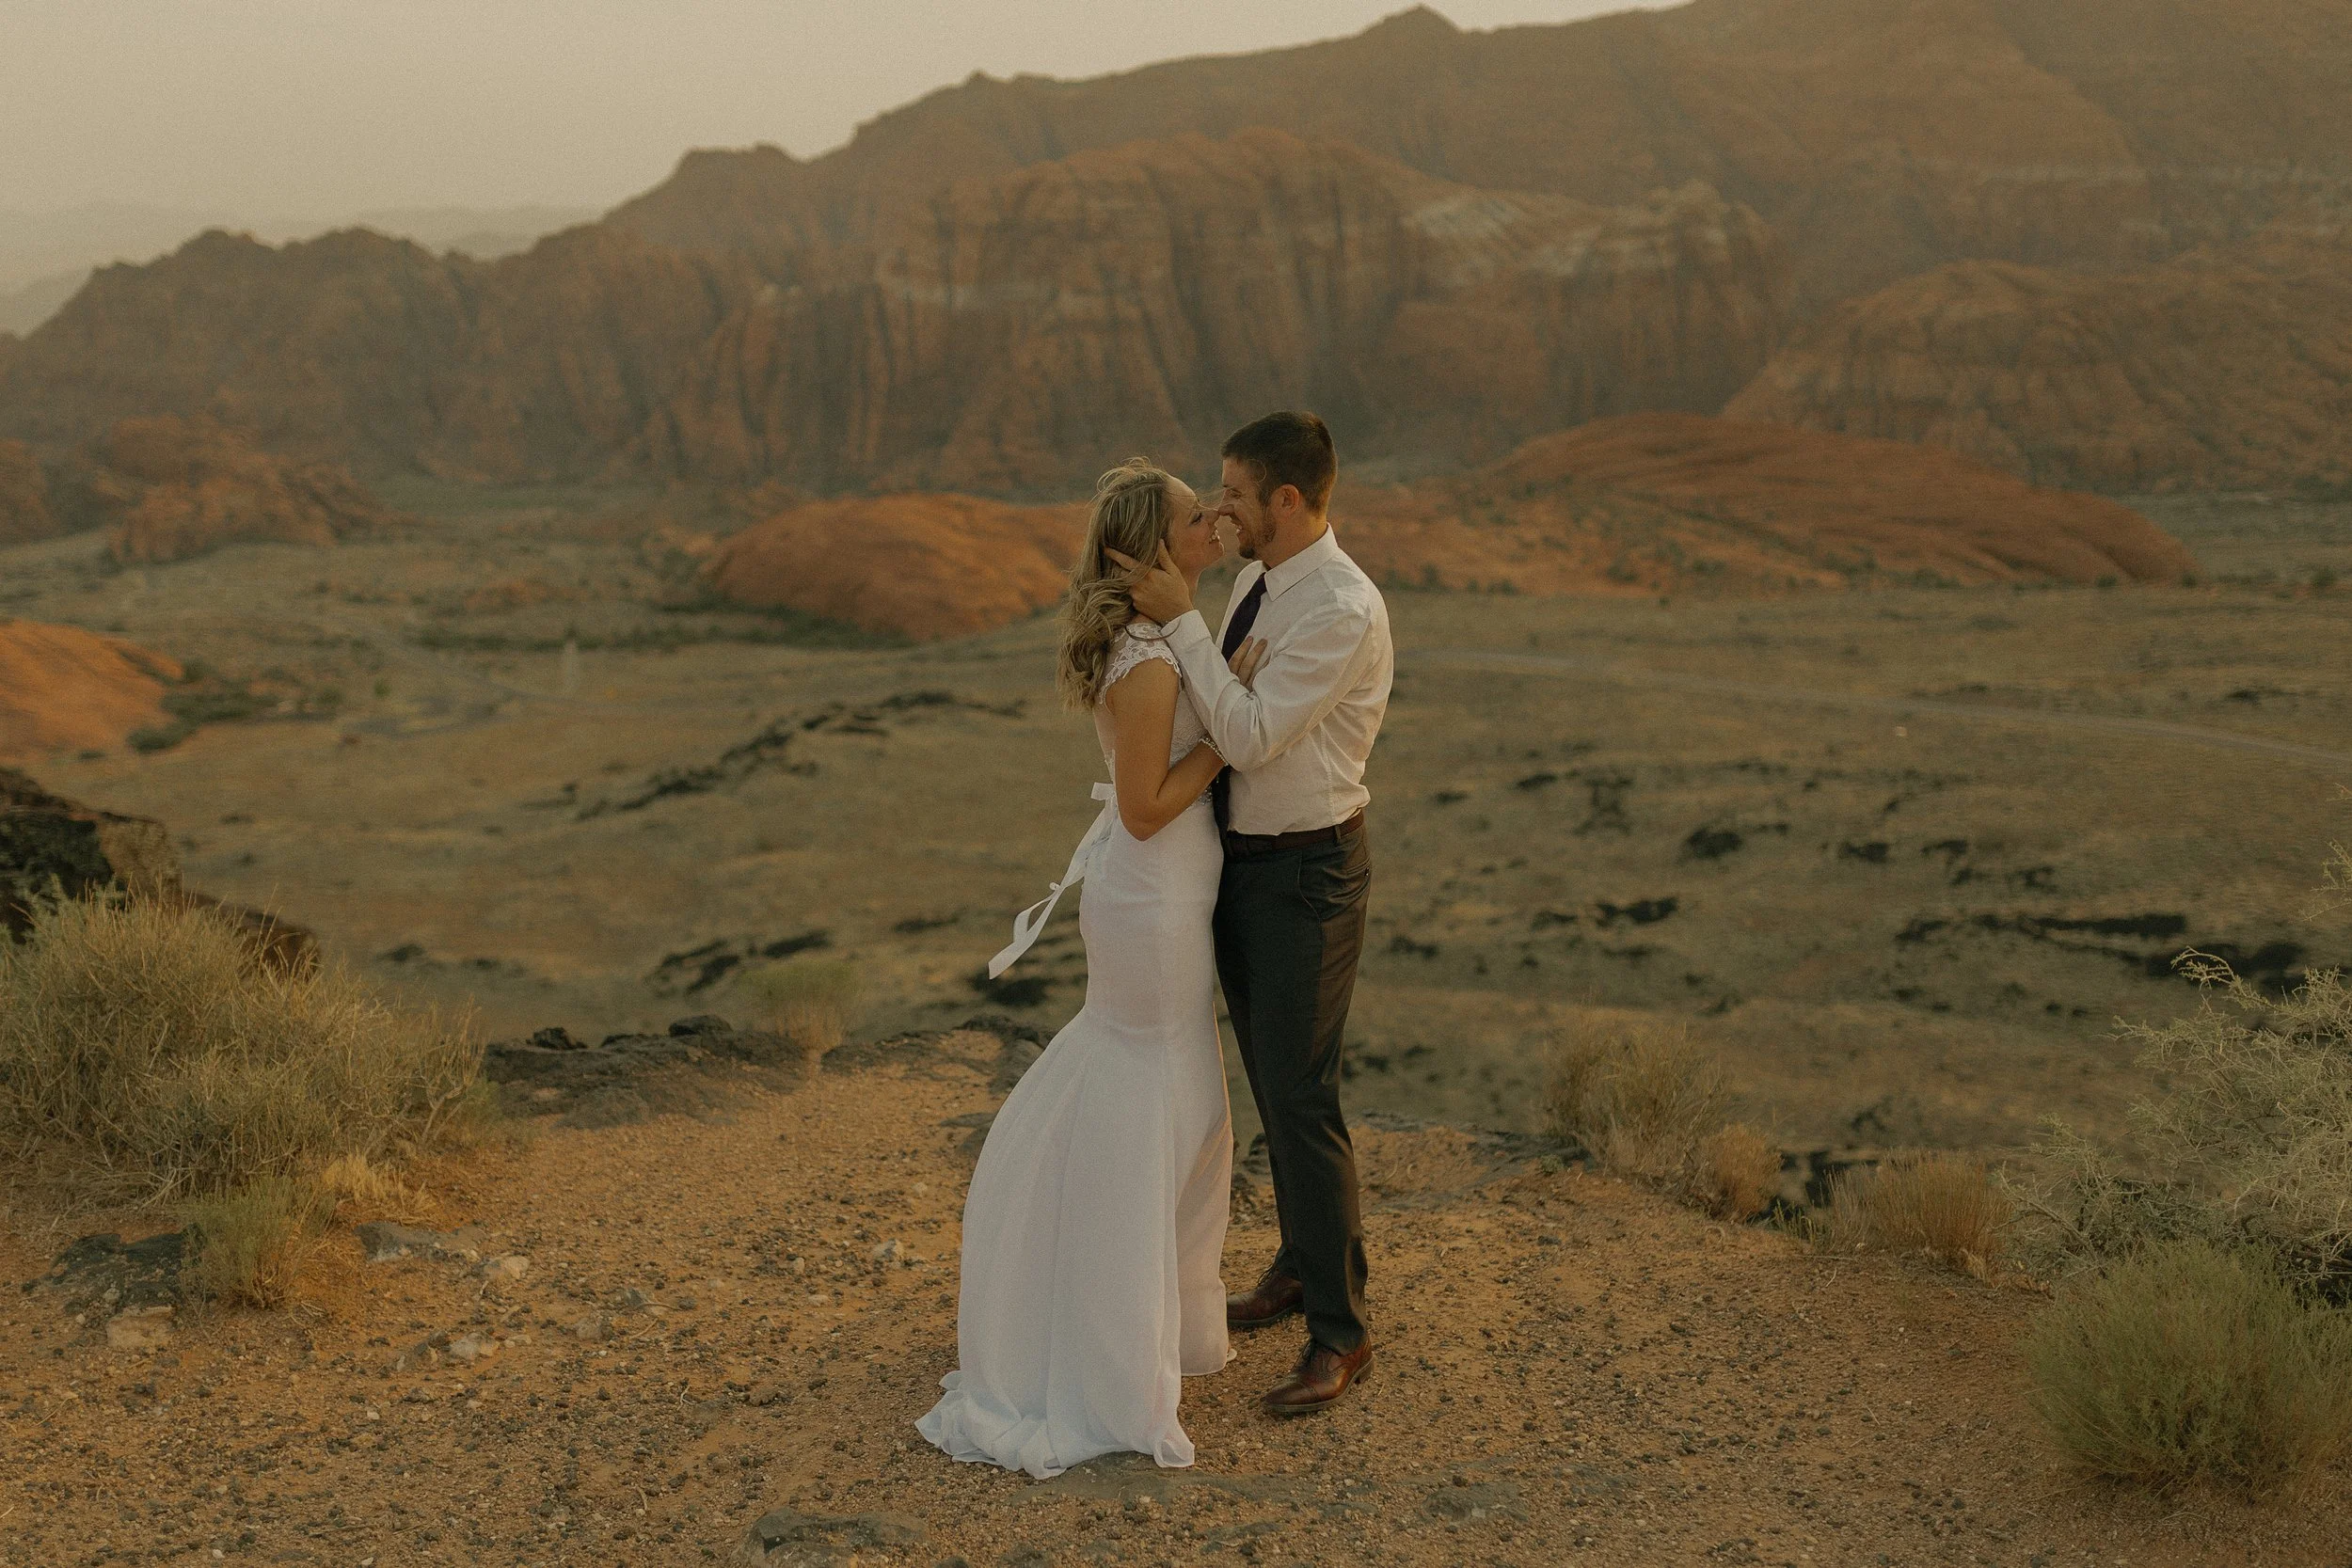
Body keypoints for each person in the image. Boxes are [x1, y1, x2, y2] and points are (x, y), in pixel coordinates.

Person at [915, 458, 1263, 1478]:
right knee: (1153, 1092)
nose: (1210, 521)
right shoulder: (1151, 657)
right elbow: (1151, 804)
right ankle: (1107, 1360)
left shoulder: (1157, 639)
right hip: (1151, 896)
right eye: (1191, 516)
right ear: (1153, 548)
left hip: (1160, 894)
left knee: (1182, 1093)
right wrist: (1230, 741)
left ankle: (1145, 1325)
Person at [1113, 410, 1393, 1416]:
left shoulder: (1341, 609)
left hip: (1305, 874)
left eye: (1231, 490)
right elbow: (1218, 700)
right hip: (1241, 863)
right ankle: (1295, 1264)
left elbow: (1254, 735)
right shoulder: (1255, 580)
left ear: (1285, 498)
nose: (1218, 505)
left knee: (1302, 1096)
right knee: (1273, 1083)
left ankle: (1341, 1330)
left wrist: (1180, 623)